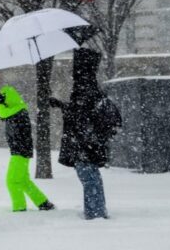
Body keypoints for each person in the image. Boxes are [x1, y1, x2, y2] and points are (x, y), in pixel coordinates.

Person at [50, 48, 118, 220]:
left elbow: (81, 113)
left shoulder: (84, 85)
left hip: (84, 143)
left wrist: (63, 106)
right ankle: (97, 210)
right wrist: (62, 105)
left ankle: (95, 213)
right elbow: (81, 110)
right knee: (92, 177)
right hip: (88, 142)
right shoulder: (89, 84)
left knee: (89, 178)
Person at [0, 85, 55, 212]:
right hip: (21, 151)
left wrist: (0, 104)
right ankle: (43, 203)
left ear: (8, 99)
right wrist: (1, 103)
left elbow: (2, 113)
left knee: (12, 181)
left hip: (20, 151)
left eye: (3, 99)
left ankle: (19, 208)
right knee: (23, 181)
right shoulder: (18, 110)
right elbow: (3, 115)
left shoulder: (18, 110)